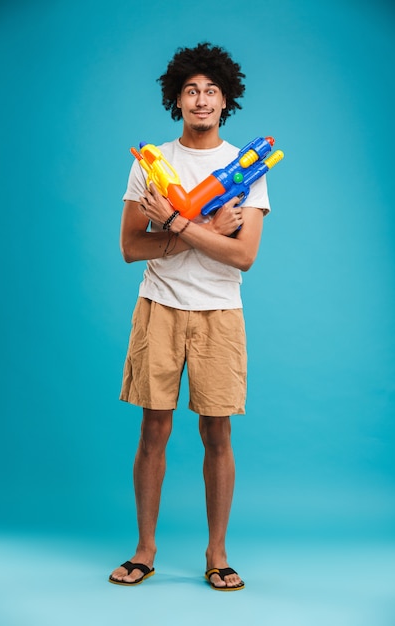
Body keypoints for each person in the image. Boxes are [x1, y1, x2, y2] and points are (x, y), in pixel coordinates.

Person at [109, 42, 270, 591]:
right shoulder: (151, 163)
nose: (201, 100)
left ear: (226, 101)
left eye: (211, 91)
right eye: (191, 91)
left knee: (217, 433)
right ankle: (144, 550)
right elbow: (132, 246)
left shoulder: (246, 170)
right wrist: (202, 231)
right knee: (153, 430)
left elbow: (243, 255)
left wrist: (174, 225)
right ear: (176, 100)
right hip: (158, 308)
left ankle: (217, 554)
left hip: (220, 312)